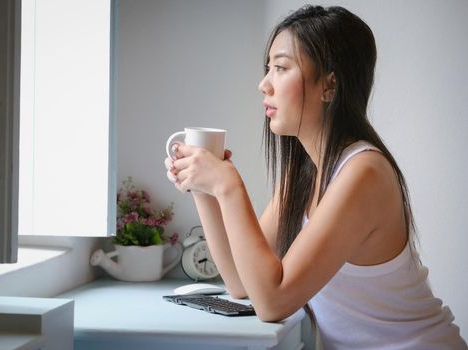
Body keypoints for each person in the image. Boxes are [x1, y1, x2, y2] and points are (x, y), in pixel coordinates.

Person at [164, 5, 467, 350]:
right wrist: (204, 188)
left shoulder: (363, 173)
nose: (264, 84)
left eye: (280, 68)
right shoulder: (305, 173)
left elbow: (273, 301)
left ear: (329, 84)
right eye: (268, 69)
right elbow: (240, 282)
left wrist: (229, 186)